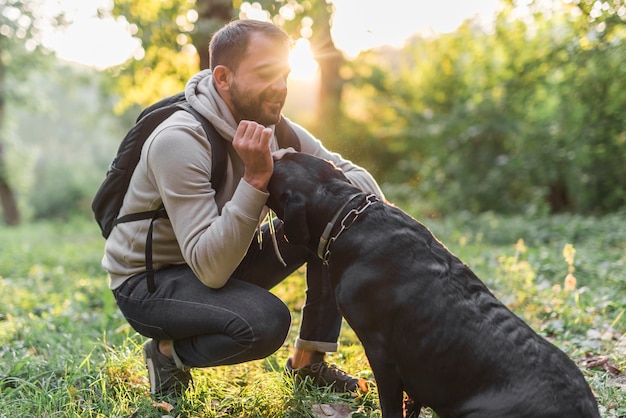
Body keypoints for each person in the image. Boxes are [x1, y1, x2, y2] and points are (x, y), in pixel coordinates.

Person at [103, 18, 384, 402]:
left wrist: (333, 188)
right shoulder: (179, 140)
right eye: (266, 74)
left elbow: (355, 179)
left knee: (336, 219)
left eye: (284, 74)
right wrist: (256, 180)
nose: (281, 87)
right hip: (151, 282)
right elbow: (211, 268)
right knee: (265, 322)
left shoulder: (273, 127)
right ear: (223, 78)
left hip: (220, 255)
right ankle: (167, 353)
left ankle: (309, 362)